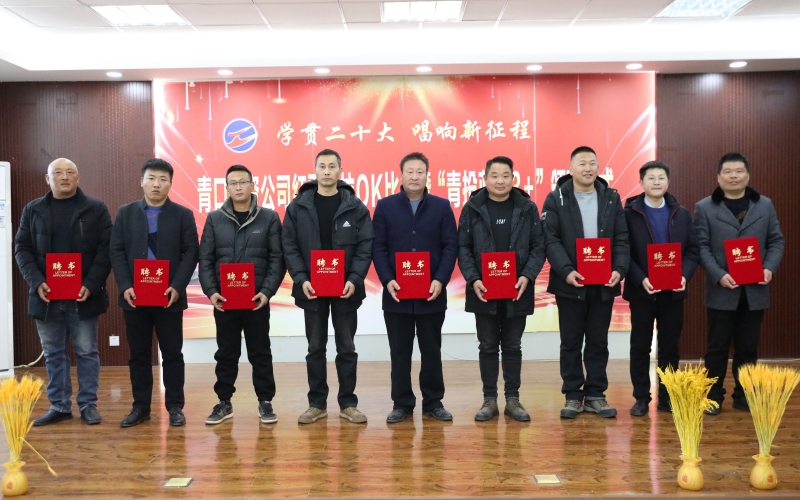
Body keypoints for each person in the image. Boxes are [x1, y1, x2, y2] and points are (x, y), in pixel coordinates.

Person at [14, 158, 112, 426]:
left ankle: (88, 404)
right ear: (48, 179)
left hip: (83, 295)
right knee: (54, 353)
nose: (64, 177)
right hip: (46, 296)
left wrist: (91, 284)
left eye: (70, 172)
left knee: (86, 351)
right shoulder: (33, 210)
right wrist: (36, 282)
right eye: (57, 172)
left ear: (78, 177)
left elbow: (106, 250)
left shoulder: (95, 209)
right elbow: (22, 249)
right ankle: (59, 405)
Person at [282, 149, 373, 424]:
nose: (327, 171)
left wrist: (354, 279)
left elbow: (365, 246)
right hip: (312, 288)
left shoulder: (355, 207)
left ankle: (348, 403)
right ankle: (316, 404)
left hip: (346, 289)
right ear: (315, 170)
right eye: (322, 166)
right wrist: (301, 279)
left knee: (346, 348)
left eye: (332, 166)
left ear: (340, 171)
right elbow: (289, 246)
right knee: (315, 347)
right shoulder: (297, 207)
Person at [110, 158, 199, 428]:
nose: (156, 184)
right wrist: (126, 285)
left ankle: (175, 406)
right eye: (151, 178)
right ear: (142, 181)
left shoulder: (183, 215)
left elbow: (191, 252)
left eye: (162, 179)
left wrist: (178, 285)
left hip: (169, 297)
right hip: (135, 297)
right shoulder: (126, 213)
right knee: (138, 355)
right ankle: (141, 407)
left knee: (172, 354)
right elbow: (116, 250)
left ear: (170, 183)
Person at [542, 146, 629, 419]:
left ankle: (595, 395)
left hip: (603, 283)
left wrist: (619, 269)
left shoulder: (612, 198)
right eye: (582, 163)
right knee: (570, 342)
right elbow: (550, 239)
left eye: (592, 163)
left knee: (598, 341)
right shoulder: (556, 198)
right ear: (570, 168)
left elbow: (622, 238)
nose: (588, 168)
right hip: (570, 283)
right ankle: (572, 395)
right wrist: (566, 270)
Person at [693, 152, 784, 414]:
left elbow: (776, 240)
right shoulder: (704, 207)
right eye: (728, 171)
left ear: (748, 175)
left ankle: (744, 396)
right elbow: (700, 246)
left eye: (739, 171)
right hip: (721, 289)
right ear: (718, 177)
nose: (734, 176)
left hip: (755, 290)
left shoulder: (764, 205)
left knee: (748, 347)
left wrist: (769, 268)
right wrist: (718, 274)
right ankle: (712, 396)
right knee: (717, 347)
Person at [372, 152, 458, 423]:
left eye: (420, 172)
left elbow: (450, 246)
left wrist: (440, 279)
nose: (414, 176)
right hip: (396, 295)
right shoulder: (385, 207)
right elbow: (378, 247)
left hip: (431, 294)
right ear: (401, 175)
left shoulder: (441, 207)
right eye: (410, 171)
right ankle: (402, 404)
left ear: (427, 175)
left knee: (431, 351)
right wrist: (387, 279)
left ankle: (433, 402)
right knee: (399, 352)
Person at [458, 156, 545, 422]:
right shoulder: (472, 208)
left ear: (513, 179)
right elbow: (463, 248)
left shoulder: (527, 207)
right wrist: (473, 278)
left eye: (505, 175)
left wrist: (527, 276)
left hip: (517, 289)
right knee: (487, 346)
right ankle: (489, 400)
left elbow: (538, 246)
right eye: (494, 176)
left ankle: (513, 400)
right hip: (483, 289)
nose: (500, 181)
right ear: (485, 179)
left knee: (512, 345)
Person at [199, 165, 285, 425]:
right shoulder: (215, 219)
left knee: (260, 351)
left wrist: (266, 292)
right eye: (233, 183)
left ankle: (265, 401)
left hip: (256, 300)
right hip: (225, 301)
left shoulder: (269, 218)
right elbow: (206, 259)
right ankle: (224, 401)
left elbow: (277, 258)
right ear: (226, 188)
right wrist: (212, 292)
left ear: (252, 185)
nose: (238, 187)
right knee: (226, 352)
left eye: (242, 182)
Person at [623, 161, 699, 416]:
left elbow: (692, 250)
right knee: (640, 346)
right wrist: (639, 278)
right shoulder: (629, 213)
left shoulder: (681, 213)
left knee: (669, 347)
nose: (656, 182)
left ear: (668, 182)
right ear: (641, 182)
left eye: (661, 177)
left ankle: (667, 397)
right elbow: (623, 251)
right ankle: (641, 398)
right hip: (642, 292)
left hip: (673, 292)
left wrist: (684, 275)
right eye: (651, 178)